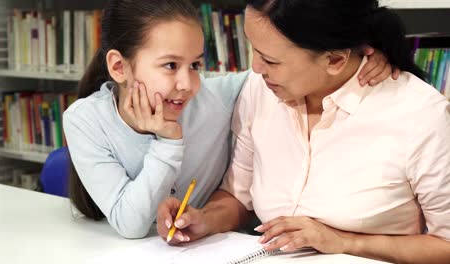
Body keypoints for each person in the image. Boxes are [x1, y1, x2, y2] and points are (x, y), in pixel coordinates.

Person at [64, 0, 396, 239]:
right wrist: (168, 141)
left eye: (195, 65)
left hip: (211, 246)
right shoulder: (85, 120)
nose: (188, 84)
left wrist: (369, 55)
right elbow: (131, 225)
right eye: (170, 66)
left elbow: (296, 68)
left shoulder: (216, 97)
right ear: (119, 67)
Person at [156, 0, 450, 263]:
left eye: (270, 60)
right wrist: (203, 219)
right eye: (253, 50)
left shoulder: (420, 115)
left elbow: (445, 245)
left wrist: (345, 242)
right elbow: (238, 197)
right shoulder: (261, 90)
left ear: (335, 60)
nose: (256, 68)